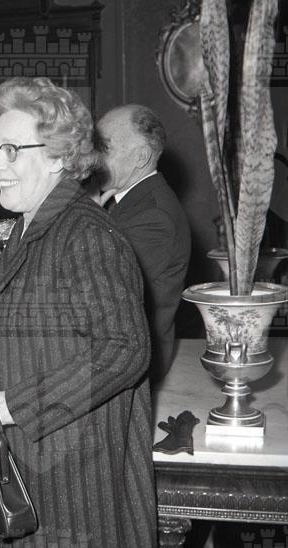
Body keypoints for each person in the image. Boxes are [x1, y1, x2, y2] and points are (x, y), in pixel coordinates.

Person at [0, 77, 163, 548]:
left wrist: (14, 404)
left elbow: (124, 349)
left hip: (73, 485)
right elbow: (23, 332)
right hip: (33, 476)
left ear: (58, 156)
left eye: (12, 150)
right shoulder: (30, 227)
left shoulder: (86, 234)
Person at [96, 104, 191, 382]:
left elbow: (97, 289)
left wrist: (84, 214)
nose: (92, 158)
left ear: (141, 157)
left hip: (134, 366)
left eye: (104, 148)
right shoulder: (128, 201)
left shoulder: (154, 216)